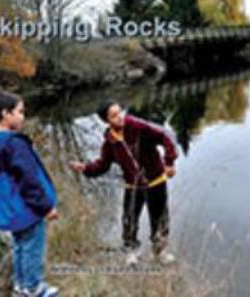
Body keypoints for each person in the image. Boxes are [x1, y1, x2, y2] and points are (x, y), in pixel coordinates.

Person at [69, 100, 178, 266]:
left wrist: (169, 161)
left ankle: (160, 251)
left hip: (156, 180)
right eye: (113, 116)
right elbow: (102, 165)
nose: (119, 117)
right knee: (129, 220)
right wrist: (85, 168)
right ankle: (131, 252)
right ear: (106, 120)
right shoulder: (110, 142)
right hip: (133, 186)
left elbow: (164, 136)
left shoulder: (137, 126)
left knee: (160, 219)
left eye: (119, 112)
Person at [0, 92, 59, 297]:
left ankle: (20, 286)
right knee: (33, 248)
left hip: (9, 210)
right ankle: (33, 287)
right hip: (27, 209)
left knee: (20, 246)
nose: (23, 117)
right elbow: (29, 180)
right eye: (20, 112)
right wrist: (46, 207)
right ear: (6, 114)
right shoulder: (14, 144)